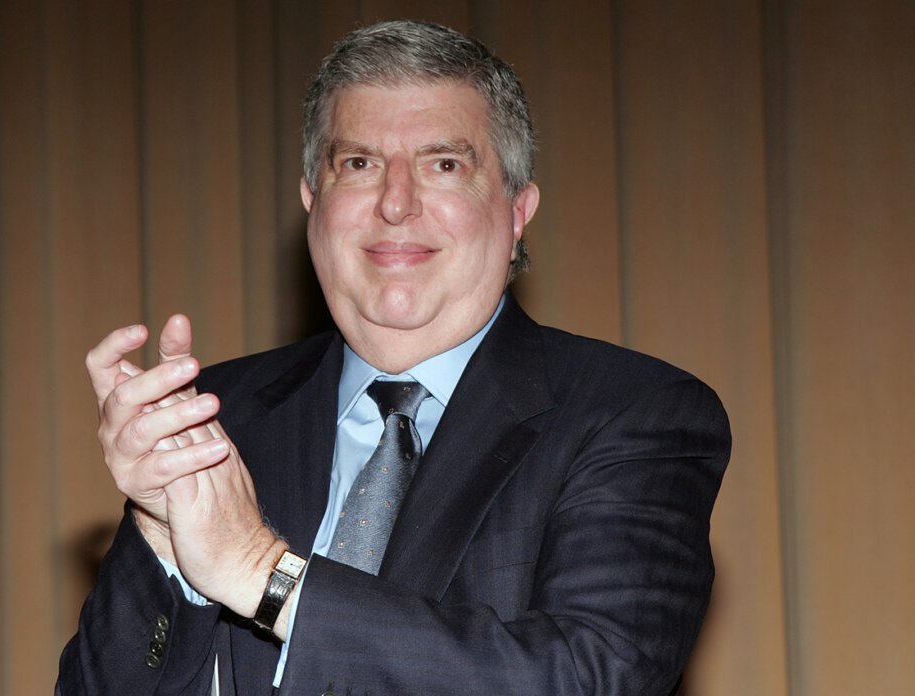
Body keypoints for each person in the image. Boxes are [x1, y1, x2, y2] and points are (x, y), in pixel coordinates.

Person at [58, 20, 730, 696]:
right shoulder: (214, 416)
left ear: (517, 210)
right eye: (360, 164)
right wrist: (163, 536)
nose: (395, 203)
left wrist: (263, 573)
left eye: (444, 165)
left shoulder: (633, 412)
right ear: (312, 203)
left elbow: (592, 677)